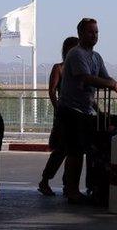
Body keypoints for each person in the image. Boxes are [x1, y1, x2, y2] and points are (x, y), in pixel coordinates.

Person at [58, 18, 117, 204]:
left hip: (86, 110)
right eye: (90, 32)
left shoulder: (96, 57)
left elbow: (104, 76)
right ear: (80, 34)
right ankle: (71, 190)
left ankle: (88, 186)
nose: (94, 36)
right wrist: (112, 85)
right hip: (71, 110)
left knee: (87, 149)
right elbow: (86, 78)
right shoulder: (76, 54)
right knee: (75, 151)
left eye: (96, 32)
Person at [37, 36, 79, 196]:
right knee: (61, 149)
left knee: (72, 151)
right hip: (64, 114)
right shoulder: (59, 68)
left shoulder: (79, 69)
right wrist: (58, 109)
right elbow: (52, 91)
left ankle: (67, 184)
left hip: (76, 115)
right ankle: (45, 180)